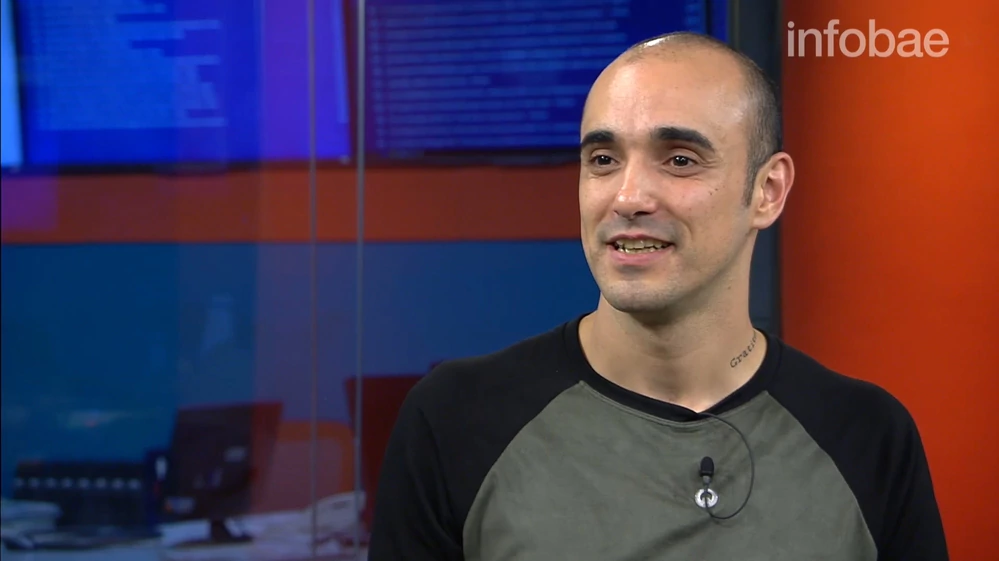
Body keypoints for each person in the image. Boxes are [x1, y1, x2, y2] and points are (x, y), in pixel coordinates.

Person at [367, 31, 948, 561]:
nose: (627, 197)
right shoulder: (455, 421)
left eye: (679, 160)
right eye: (603, 160)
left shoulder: (867, 435)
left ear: (767, 191)